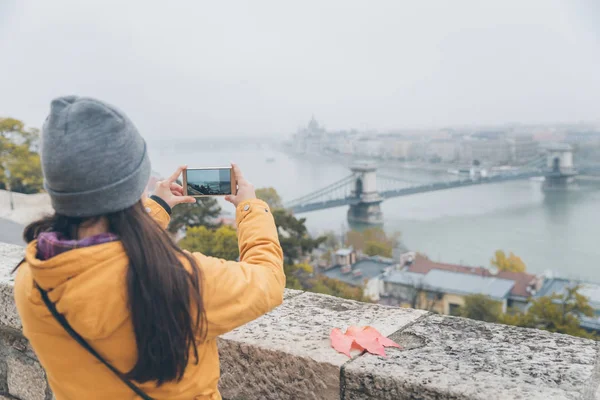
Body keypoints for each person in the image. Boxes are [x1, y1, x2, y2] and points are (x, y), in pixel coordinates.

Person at [13, 96, 285, 400]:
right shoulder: (179, 281)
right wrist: (249, 207)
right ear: (135, 182)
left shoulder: (32, 278)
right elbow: (268, 280)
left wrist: (157, 207)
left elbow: (105, 260)